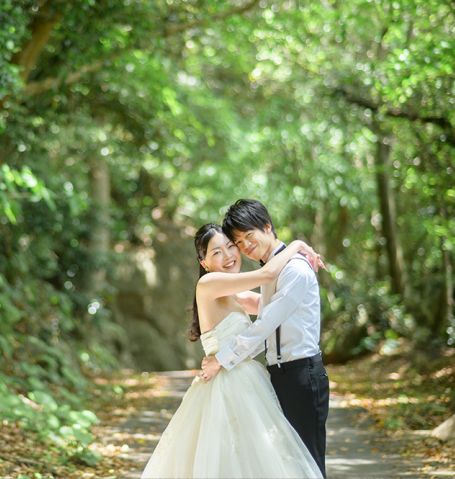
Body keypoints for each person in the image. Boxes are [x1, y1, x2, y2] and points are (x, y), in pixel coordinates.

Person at [140, 223, 323, 479]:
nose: (228, 255)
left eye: (230, 246)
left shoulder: (234, 294)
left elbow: (274, 304)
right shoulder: (209, 283)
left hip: (248, 380)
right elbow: (268, 274)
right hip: (227, 385)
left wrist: (303, 280)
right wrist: (298, 245)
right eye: (217, 252)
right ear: (203, 263)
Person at [200, 199, 329, 478]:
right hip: (278, 376)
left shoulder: (294, 269)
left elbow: (266, 324)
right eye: (238, 242)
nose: (244, 246)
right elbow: (265, 324)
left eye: (248, 236)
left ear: (267, 227)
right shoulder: (266, 271)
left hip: (302, 374)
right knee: (288, 464)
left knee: (308, 465)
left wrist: (222, 359)